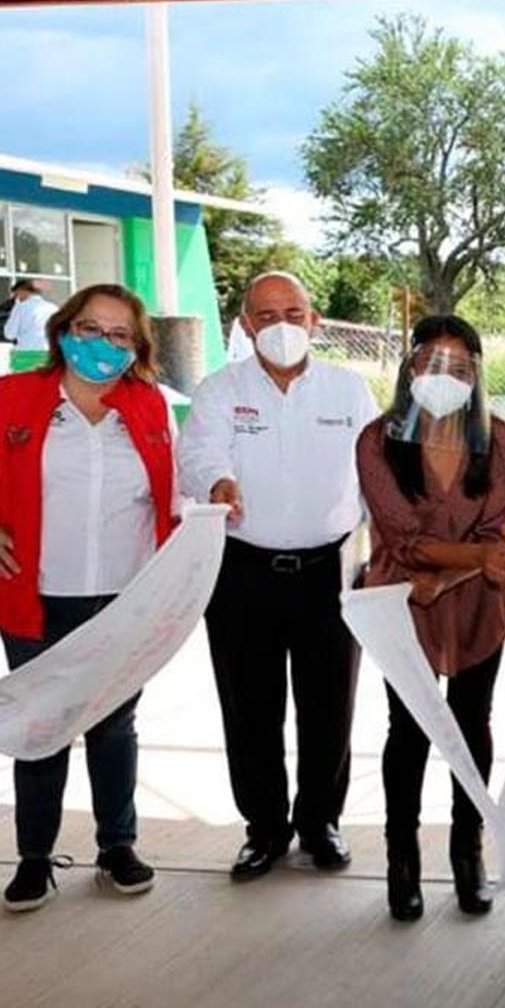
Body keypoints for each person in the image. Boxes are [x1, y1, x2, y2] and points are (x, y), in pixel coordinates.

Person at [0, 284, 176, 911]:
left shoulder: (150, 406)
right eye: (90, 329)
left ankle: (118, 846)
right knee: (41, 728)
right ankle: (34, 857)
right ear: (63, 332)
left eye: (120, 336)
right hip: (36, 598)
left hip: (124, 598)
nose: (103, 345)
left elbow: (178, 491)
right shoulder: (10, 398)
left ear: (136, 349)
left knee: (115, 725)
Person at [179, 271, 380, 881]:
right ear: (245, 326)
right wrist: (216, 480)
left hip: (330, 572)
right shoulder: (219, 391)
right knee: (250, 707)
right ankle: (264, 828)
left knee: (329, 706)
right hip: (243, 573)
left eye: (294, 313)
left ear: (315, 321)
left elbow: (375, 471)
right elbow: (196, 454)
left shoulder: (348, 391)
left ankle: (320, 821)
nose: (281, 326)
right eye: (266, 316)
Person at [357, 315, 505, 922]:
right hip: (402, 606)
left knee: (472, 724)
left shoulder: (499, 440)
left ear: (476, 374)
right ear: (409, 368)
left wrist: (460, 569)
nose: (443, 375)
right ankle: (402, 858)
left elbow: (491, 531)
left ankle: (467, 852)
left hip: (477, 602)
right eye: (431, 362)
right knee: (409, 731)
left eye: (458, 366)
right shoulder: (377, 441)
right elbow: (404, 540)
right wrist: (478, 558)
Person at [2, 279, 56, 356]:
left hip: (26, 353)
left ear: (22, 290)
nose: (17, 298)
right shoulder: (53, 308)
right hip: (48, 353)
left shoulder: (21, 307)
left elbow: (9, 334)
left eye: (17, 294)